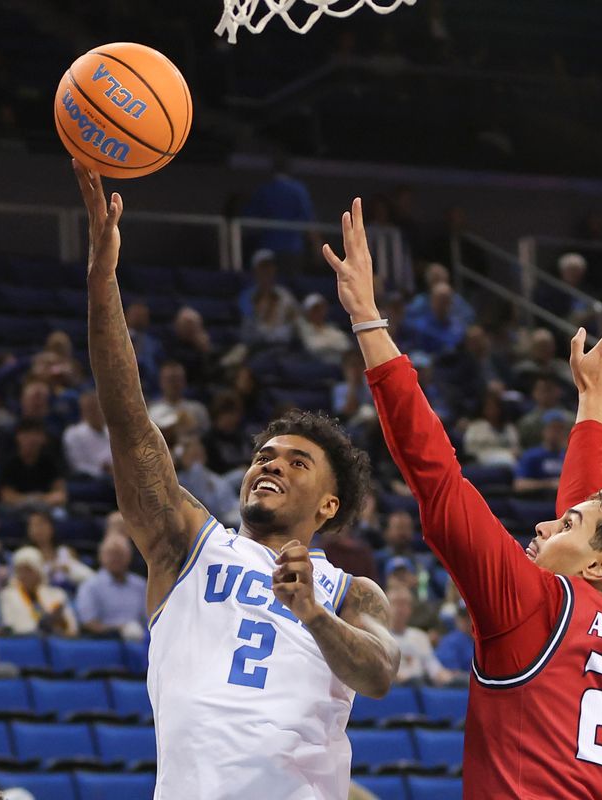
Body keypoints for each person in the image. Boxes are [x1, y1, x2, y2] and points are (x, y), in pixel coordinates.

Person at [324, 196, 602, 798]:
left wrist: (369, 321)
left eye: (565, 525)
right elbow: (590, 519)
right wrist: (595, 407)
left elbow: (438, 478)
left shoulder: (532, 607)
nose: (547, 527)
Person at [72, 162, 398, 800]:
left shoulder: (350, 591)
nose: (270, 464)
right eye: (265, 455)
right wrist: (102, 282)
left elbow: (380, 672)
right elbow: (130, 423)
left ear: (329, 504)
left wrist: (313, 615)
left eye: (296, 462)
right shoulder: (188, 546)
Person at [75, 533, 146, 640]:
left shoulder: (141, 585)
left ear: (129, 556)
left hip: (140, 644)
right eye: (111, 554)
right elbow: (88, 623)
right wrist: (120, 630)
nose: (116, 558)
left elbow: (149, 619)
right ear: (101, 556)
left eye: (120, 554)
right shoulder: (90, 586)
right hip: (104, 645)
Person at [0, 547, 78, 637]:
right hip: (27, 644)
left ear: (38, 570)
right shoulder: (7, 596)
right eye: (19, 571)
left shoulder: (57, 594)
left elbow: (72, 629)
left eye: (28, 570)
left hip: (57, 643)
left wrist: (60, 622)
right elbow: (10, 626)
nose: (23, 575)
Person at [388, 586, 458, 686]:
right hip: (394, 690)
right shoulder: (378, 636)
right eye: (396, 603)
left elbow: (434, 668)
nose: (400, 609)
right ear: (386, 607)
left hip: (420, 689)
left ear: (410, 609)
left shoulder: (420, 636)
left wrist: (452, 679)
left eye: (404, 604)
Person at [0, 419, 67, 510]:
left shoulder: (51, 462)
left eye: (36, 434)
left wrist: (39, 500)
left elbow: (60, 494)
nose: (31, 439)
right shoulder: (9, 464)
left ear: (44, 438)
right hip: (17, 511)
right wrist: (31, 500)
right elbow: (7, 497)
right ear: (18, 437)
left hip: (46, 510)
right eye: (26, 434)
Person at [23, 510, 93, 593]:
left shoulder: (65, 551)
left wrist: (67, 568)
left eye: (42, 524)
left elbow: (85, 576)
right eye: (34, 525)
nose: (38, 529)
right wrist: (50, 570)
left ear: (51, 527)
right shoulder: (25, 555)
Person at [513, 410, 571, 495]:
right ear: (544, 430)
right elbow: (519, 485)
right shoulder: (532, 455)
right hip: (537, 502)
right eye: (553, 428)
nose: (556, 433)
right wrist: (549, 484)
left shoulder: (569, 457)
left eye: (560, 429)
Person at [147, 361, 210, 436]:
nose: (174, 383)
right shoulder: (151, 411)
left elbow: (206, 437)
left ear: (184, 381)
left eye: (178, 379)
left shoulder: (198, 409)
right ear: (161, 381)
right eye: (170, 379)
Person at [461, 388, 520, 467]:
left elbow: (516, 447)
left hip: (509, 458)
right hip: (483, 460)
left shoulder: (508, 427)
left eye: (495, 407)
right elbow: (470, 450)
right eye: (488, 408)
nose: (492, 411)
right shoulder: (476, 427)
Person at [62, 391, 112, 479]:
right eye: (90, 408)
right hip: (91, 479)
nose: (95, 411)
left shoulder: (111, 430)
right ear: (82, 411)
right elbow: (77, 465)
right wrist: (102, 470)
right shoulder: (73, 433)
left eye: (97, 407)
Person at [297, 293, 352, 366]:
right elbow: (313, 347)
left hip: (339, 364)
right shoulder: (304, 328)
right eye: (315, 310)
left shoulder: (332, 328)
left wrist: (328, 346)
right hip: (317, 365)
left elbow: (346, 346)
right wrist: (333, 345)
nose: (318, 313)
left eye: (321, 309)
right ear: (308, 312)